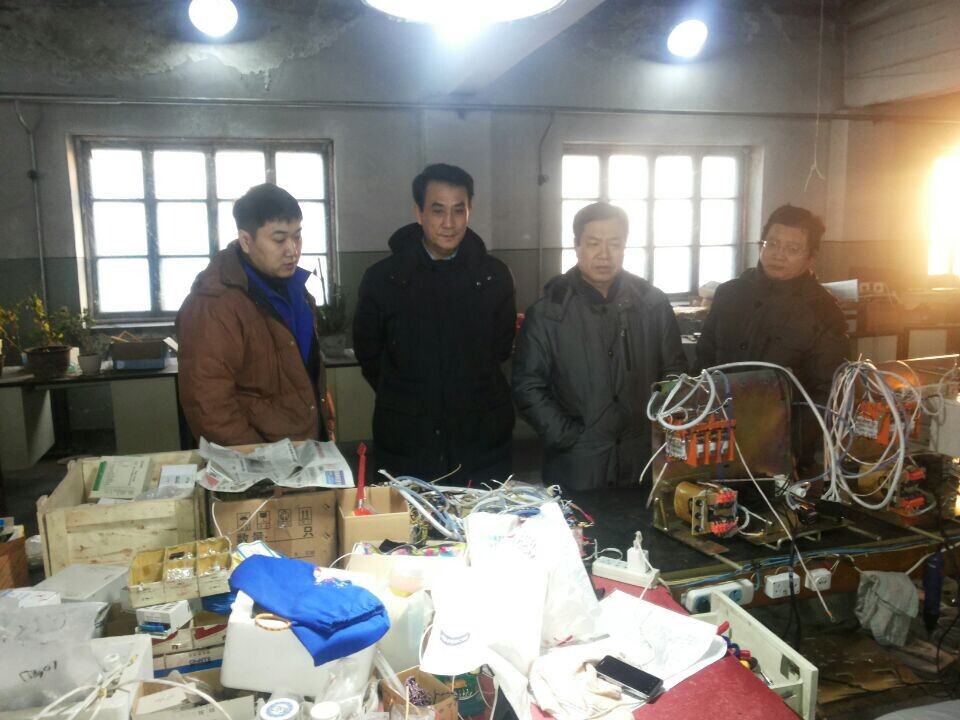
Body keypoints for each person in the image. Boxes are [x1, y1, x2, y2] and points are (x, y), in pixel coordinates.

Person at [353, 163, 515, 483]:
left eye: (459, 210)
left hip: (481, 440)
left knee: (483, 514)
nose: (449, 223)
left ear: (470, 211)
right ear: (419, 212)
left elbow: (500, 348)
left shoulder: (493, 277)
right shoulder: (383, 279)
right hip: (407, 440)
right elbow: (369, 355)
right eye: (438, 210)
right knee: (408, 516)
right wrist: (410, 395)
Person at [512, 202, 686, 491]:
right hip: (576, 464)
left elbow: (675, 372)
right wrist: (567, 436)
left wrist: (658, 425)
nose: (604, 254)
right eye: (593, 243)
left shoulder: (652, 304)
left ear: (624, 247)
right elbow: (527, 386)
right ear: (577, 246)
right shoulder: (548, 312)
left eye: (614, 244)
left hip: (643, 461)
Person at [177, 183, 334, 446]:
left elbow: (305, 377)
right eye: (279, 239)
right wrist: (259, 460)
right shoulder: (214, 304)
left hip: (305, 450)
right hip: (261, 460)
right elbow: (208, 406)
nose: (292, 249)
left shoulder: (297, 292)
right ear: (246, 241)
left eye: (297, 236)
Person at [694, 204, 848, 403]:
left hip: (788, 420)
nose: (779, 254)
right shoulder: (729, 294)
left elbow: (829, 392)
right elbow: (702, 364)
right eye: (772, 243)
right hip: (717, 416)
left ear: (811, 257)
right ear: (761, 245)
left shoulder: (824, 312)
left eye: (793, 249)